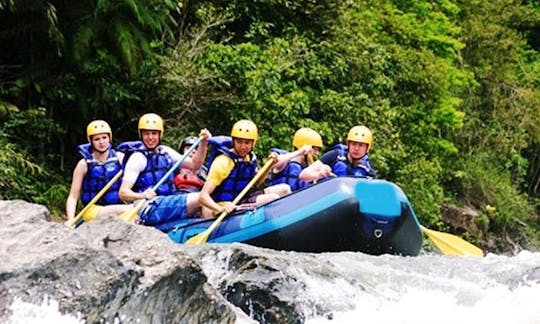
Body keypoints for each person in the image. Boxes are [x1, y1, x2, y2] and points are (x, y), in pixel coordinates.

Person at [117, 113, 211, 230]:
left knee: (205, 198)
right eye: (146, 133)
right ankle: (210, 234)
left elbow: (195, 165)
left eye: (154, 133)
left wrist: (204, 143)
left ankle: (205, 230)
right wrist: (142, 195)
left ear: (160, 134)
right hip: (149, 208)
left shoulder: (166, 152)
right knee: (202, 198)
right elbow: (123, 193)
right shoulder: (137, 158)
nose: (150, 137)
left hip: (167, 201)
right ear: (141, 135)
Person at [199, 119, 291, 218]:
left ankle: (290, 220)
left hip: (241, 199)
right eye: (239, 142)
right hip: (223, 205)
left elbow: (257, 182)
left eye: (247, 143)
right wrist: (221, 209)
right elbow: (203, 196)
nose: (243, 146)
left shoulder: (249, 158)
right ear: (233, 141)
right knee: (273, 198)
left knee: (285, 189)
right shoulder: (223, 162)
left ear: (253, 143)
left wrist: (268, 166)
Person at [65, 120, 131, 224]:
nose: (101, 142)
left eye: (104, 137)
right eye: (97, 139)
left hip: (117, 206)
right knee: (129, 209)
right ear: (91, 141)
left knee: (135, 216)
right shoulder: (83, 164)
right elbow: (73, 196)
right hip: (92, 210)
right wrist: (70, 220)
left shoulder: (120, 158)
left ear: (109, 138)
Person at [299, 125, 376, 182]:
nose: (356, 148)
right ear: (348, 144)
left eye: (361, 145)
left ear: (367, 148)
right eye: (353, 144)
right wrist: (319, 174)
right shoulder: (334, 155)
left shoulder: (368, 171)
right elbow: (303, 175)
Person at [268, 127, 323, 191]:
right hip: (280, 198)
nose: (316, 153)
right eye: (315, 149)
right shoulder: (285, 160)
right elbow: (274, 164)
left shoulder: (308, 169)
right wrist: (300, 151)